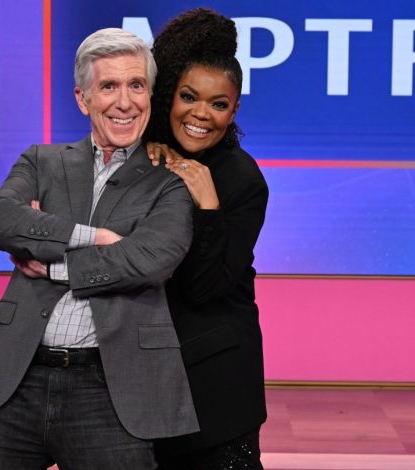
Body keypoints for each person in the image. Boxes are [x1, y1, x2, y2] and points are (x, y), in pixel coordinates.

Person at [0, 28, 198, 469]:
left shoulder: (171, 183)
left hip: (110, 388)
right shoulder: (41, 161)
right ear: (83, 99)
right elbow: (5, 220)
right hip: (15, 377)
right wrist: (98, 238)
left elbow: (147, 260)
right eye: (108, 86)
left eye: (136, 85)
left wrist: (51, 265)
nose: (125, 102)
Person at [144, 8, 270, 470]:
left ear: (234, 110)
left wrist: (208, 205)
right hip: (144, 379)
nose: (201, 114)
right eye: (189, 97)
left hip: (216, 384)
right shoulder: (146, 157)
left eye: (218, 104)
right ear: (168, 97)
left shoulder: (241, 178)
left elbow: (205, 289)